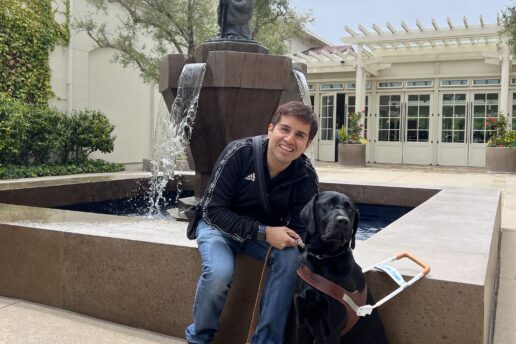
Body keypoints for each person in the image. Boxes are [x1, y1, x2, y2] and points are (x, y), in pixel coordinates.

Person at [185, 101, 319, 344]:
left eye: (300, 135)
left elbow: (300, 230)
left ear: (307, 144)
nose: (289, 139)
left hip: (263, 238)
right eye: (285, 129)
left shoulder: (306, 176)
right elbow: (213, 210)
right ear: (270, 129)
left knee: (292, 259)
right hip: (220, 229)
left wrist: (293, 239)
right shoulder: (239, 152)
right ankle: (199, 338)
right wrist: (264, 232)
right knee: (218, 273)